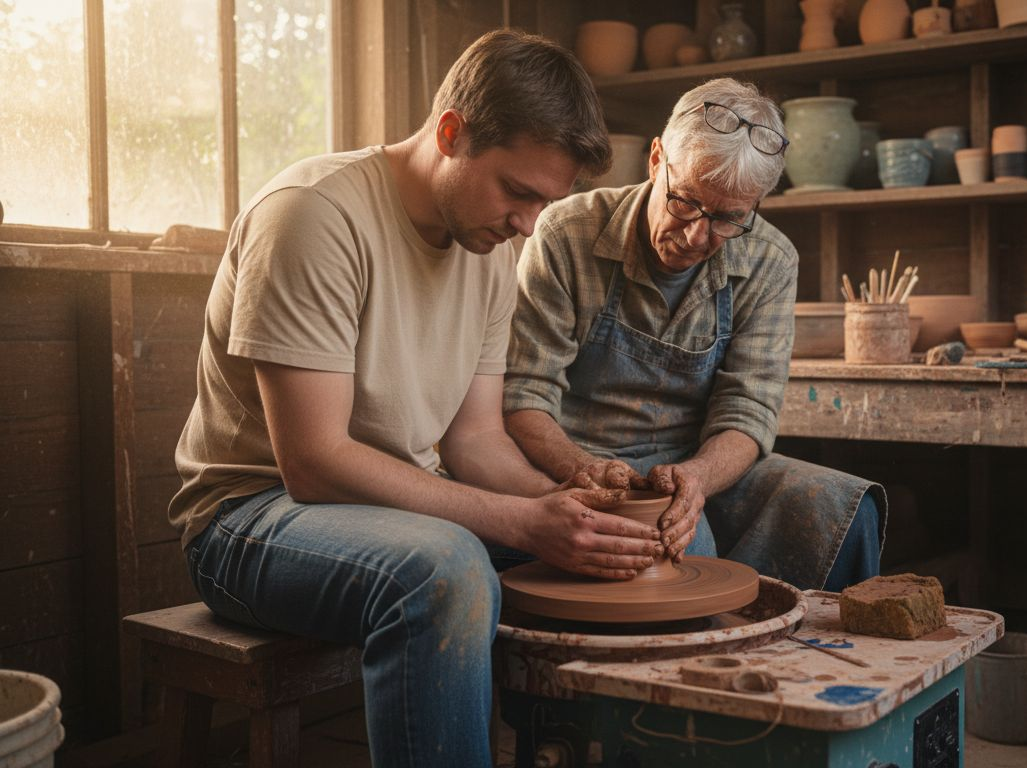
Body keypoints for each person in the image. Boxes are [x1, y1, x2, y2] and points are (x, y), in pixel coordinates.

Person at [167, 30, 669, 768]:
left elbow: (475, 442)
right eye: (518, 191)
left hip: (400, 508)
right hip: (250, 518)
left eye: (546, 202)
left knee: (642, 544)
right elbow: (314, 462)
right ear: (451, 132)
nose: (528, 224)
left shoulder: (489, 249)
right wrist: (524, 521)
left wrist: (566, 503)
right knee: (444, 572)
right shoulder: (312, 214)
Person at [504, 78, 886, 592]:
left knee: (841, 509)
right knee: (680, 550)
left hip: (697, 461)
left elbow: (748, 410)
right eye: (685, 202)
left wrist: (697, 479)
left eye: (728, 219)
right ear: (655, 160)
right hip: (574, 457)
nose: (696, 236)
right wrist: (584, 468)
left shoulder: (770, 259)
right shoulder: (566, 233)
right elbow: (525, 394)